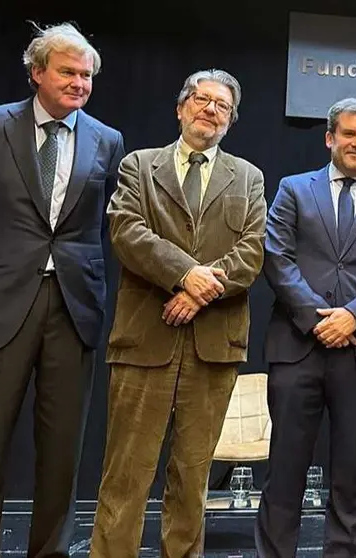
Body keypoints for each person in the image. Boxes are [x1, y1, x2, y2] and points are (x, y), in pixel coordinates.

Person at [90, 69, 266, 558]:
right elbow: (126, 231)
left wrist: (198, 291)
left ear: (230, 120)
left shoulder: (248, 177)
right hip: (144, 339)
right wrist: (186, 273)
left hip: (213, 346)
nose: (210, 110)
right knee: (126, 474)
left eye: (222, 106)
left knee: (192, 479)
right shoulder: (139, 166)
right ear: (181, 107)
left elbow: (252, 252)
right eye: (202, 99)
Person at [0, 22, 124, 558]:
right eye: (67, 72)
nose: (79, 83)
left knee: (62, 451)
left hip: (73, 308)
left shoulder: (107, 140)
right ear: (37, 72)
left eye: (86, 75)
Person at [255, 97, 356, 557]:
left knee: (351, 473)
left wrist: (353, 318)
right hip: (297, 346)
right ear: (330, 138)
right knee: (285, 470)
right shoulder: (293, 189)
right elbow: (276, 257)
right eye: (349, 134)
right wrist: (316, 318)